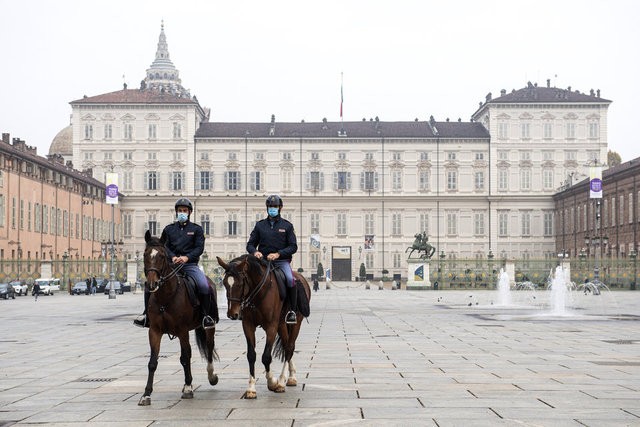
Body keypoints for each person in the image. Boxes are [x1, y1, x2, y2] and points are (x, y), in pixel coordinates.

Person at [134, 198, 215, 329]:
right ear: (176, 213)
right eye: (180, 211)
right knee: (149, 285)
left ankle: (206, 316)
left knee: (204, 286)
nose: (182, 212)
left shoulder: (197, 229)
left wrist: (186, 257)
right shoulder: (169, 229)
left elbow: (199, 248)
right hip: (171, 265)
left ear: (189, 212)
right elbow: (163, 246)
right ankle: (146, 316)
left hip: (190, 266)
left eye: (185, 210)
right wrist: (172, 257)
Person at [247, 194, 299, 324]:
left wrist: (278, 254)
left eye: (275, 206)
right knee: (246, 279)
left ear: (280, 208)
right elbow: (250, 244)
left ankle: (292, 311)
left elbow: (293, 246)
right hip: (262, 261)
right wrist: (255, 252)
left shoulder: (287, 226)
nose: (272, 209)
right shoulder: (260, 225)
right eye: (270, 206)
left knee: (290, 280)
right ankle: (245, 308)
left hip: (281, 262)